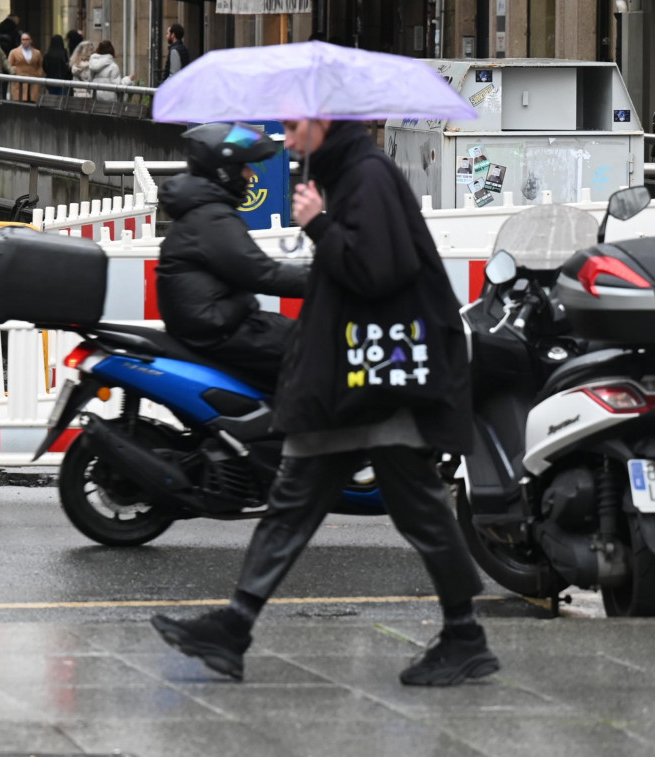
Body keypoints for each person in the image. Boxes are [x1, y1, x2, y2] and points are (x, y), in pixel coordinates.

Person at [151, 119, 498, 688]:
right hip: (350, 379)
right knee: (296, 502)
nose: (285, 140)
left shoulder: (367, 176)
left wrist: (319, 224)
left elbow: (377, 271)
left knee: (418, 512)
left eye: (292, 126)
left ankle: (465, 634)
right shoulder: (344, 175)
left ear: (325, 120)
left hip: (380, 379)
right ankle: (233, 627)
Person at [156, 123, 307, 391]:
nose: (250, 174)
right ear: (225, 172)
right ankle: (297, 429)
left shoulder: (205, 211)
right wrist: (327, 275)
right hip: (221, 330)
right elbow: (263, 274)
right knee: (317, 352)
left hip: (220, 323)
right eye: (244, 167)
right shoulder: (211, 217)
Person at [7, 32, 44, 101]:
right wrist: (14, 72)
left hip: (33, 81)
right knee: (19, 102)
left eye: (27, 39)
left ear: (31, 41)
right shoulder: (14, 52)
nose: (25, 41)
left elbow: (41, 65)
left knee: (32, 102)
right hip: (19, 82)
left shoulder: (37, 53)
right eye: (23, 40)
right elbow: (9, 65)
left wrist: (39, 74)